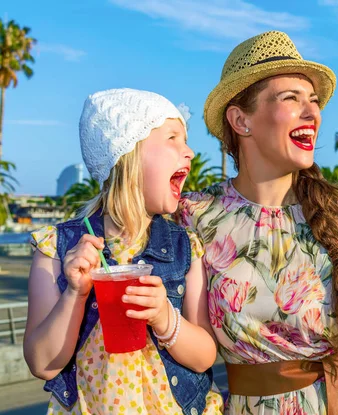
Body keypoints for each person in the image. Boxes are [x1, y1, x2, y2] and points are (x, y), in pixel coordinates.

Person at [178, 31, 338, 414]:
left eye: (313, 101)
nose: (313, 112)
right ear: (241, 119)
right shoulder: (196, 218)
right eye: (291, 99)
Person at [23, 88, 223, 415]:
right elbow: (42, 364)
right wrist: (75, 292)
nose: (189, 152)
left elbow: (204, 356)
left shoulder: (185, 247)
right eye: (173, 138)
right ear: (126, 154)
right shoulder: (57, 250)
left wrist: (164, 318)